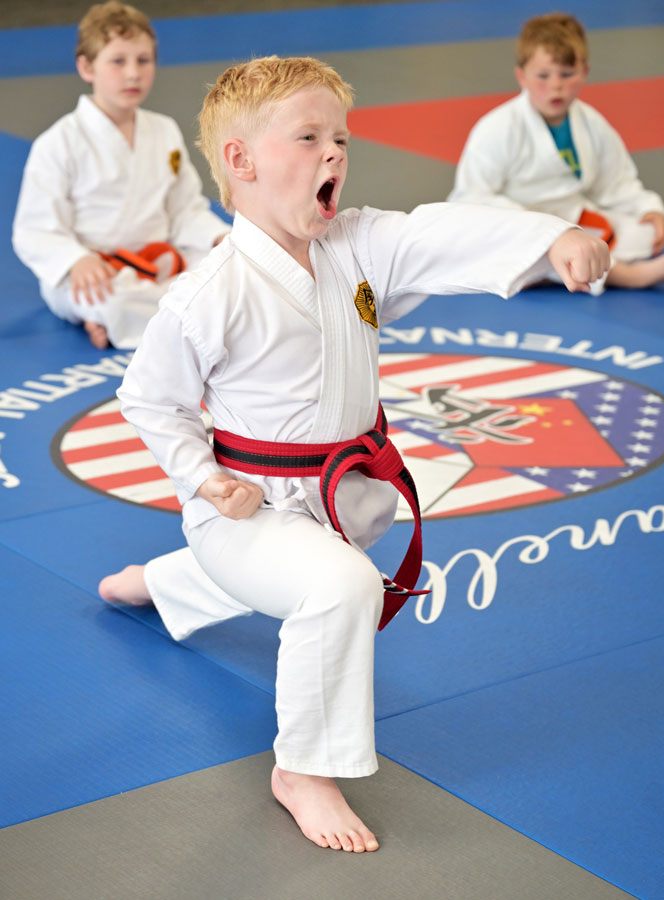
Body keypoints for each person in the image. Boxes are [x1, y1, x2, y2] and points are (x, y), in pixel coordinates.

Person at [100, 55, 609, 853]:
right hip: (245, 512)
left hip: (342, 498)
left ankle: (157, 585)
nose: (334, 152)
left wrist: (552, 236)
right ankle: (302, 768)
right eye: (307, 138)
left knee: (310, 562)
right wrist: (203, 477)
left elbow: (438, 230)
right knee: (339, 584)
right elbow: (149, 399)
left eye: (340, 137)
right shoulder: (210, 293)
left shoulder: (355, 245)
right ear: (241, 161)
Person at [12, 1, 228, 350]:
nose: (132, 74)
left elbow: (184, 208)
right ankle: (126, 318)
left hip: (158, 262)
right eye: (118, 61)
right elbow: (34, 229)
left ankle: (122, 323)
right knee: (110, 299)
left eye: (143, 60)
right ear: (87, 67)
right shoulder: (58, 142)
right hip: (98, 273)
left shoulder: (164, 130)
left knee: (226, 270)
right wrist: (76, 260)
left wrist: (217, 236)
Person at [448, 12, 664, 290]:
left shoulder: (592, 124)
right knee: (536, 248)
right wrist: (533, 225)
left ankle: (561, 269)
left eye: (567, 74)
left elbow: (615, 182)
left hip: (571, 220)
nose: (556, 85)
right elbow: (471, 196)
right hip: (517, 225)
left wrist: (648, 207)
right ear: (522, 76)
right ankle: (624, 275)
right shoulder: (498, 127)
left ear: (584, 72)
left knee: (642, 234)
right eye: (543, 76)